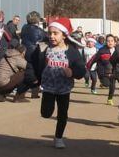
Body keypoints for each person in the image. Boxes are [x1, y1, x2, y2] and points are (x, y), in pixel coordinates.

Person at [31, 17, 87, 149]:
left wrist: (72, 72)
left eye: (55, 33)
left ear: (64, 35)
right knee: (46, 113)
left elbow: (81, 68)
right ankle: (47, 113)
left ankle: (58, 138)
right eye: (50, 33)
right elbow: (32, 64)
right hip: (48, 87)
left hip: (64, 88)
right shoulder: (43, 48)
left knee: (62, 114)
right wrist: (33, 78)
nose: (51, 36)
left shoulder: (72, 51)